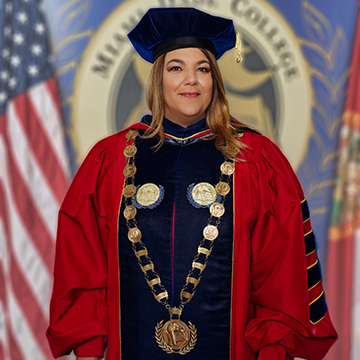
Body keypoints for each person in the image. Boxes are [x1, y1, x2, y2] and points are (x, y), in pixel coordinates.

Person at [46, 7, 337, 360]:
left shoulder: (256, 161)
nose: (191, 80)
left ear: (215, 79)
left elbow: (281, 278)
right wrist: (90, 351)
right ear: (158, 78)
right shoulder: (110, 160)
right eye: (175, 68)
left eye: (202, 69)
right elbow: (83, 266)